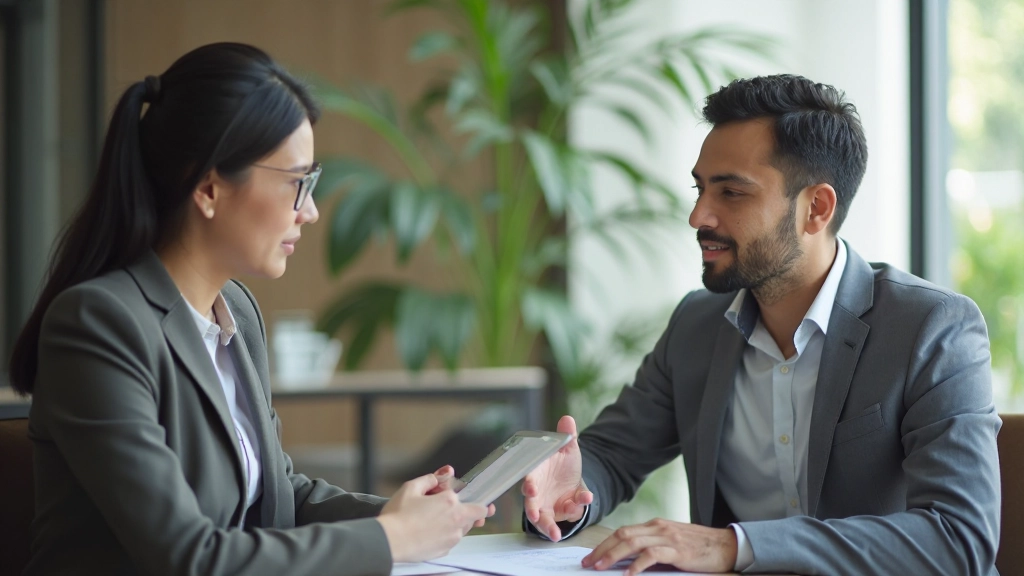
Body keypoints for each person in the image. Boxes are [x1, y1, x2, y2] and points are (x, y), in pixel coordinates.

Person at [8, 42, 490, 576]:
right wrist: (388, 537)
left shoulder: (236, 311)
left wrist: (412, 521)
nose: (308, 212)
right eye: (296, 183)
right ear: (210, 187)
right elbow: (189, 556)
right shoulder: (98, 324)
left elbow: (275, 494)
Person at [522, 74, 1002, 575]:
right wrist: (573, 491)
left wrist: (733, 546)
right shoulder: (696, 325)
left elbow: (957, 537)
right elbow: (612, 454)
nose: (698, 216)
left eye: (731, 193)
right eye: (700, 188)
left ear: (815, 208)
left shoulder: (932, 327)